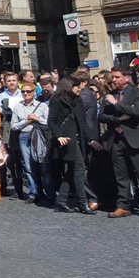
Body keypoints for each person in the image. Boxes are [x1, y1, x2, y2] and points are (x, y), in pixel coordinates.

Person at [99, 67, 139, 220]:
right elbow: (101, 116)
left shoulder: (138, 93)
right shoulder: (111, 94)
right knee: (121, 176)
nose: (114, 80)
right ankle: (123, 205)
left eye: (117, 77)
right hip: (117, 139)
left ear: (126, 77)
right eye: (113, 77)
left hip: (137, 139)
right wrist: (117, 119)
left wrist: (116, 104)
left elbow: (138, 111)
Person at [50, 76, 95, 214]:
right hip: (66, 140)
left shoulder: (77, 100)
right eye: (77, 86)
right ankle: (83, 203)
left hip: (78, 139)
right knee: (79, 169)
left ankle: (61, 200)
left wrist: (91, 139)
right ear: (69, 86)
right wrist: (59, 136)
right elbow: (51, 121)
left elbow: (82, 121)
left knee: (71, 171)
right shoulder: (56, 100)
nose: (80, 89)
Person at [11, 83, 49, 205]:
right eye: (23, 91)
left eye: (28, 91)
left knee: (43, 165)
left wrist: (38, 119)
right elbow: (13, 126)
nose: (26, 94)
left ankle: (49, 193)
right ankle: (34, 193)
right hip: (24, 136)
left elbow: (49, 122)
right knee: (28, 167)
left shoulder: (42, 106)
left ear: (34, 92)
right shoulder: (18, 107)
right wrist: (26, 122)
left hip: (40, 137)